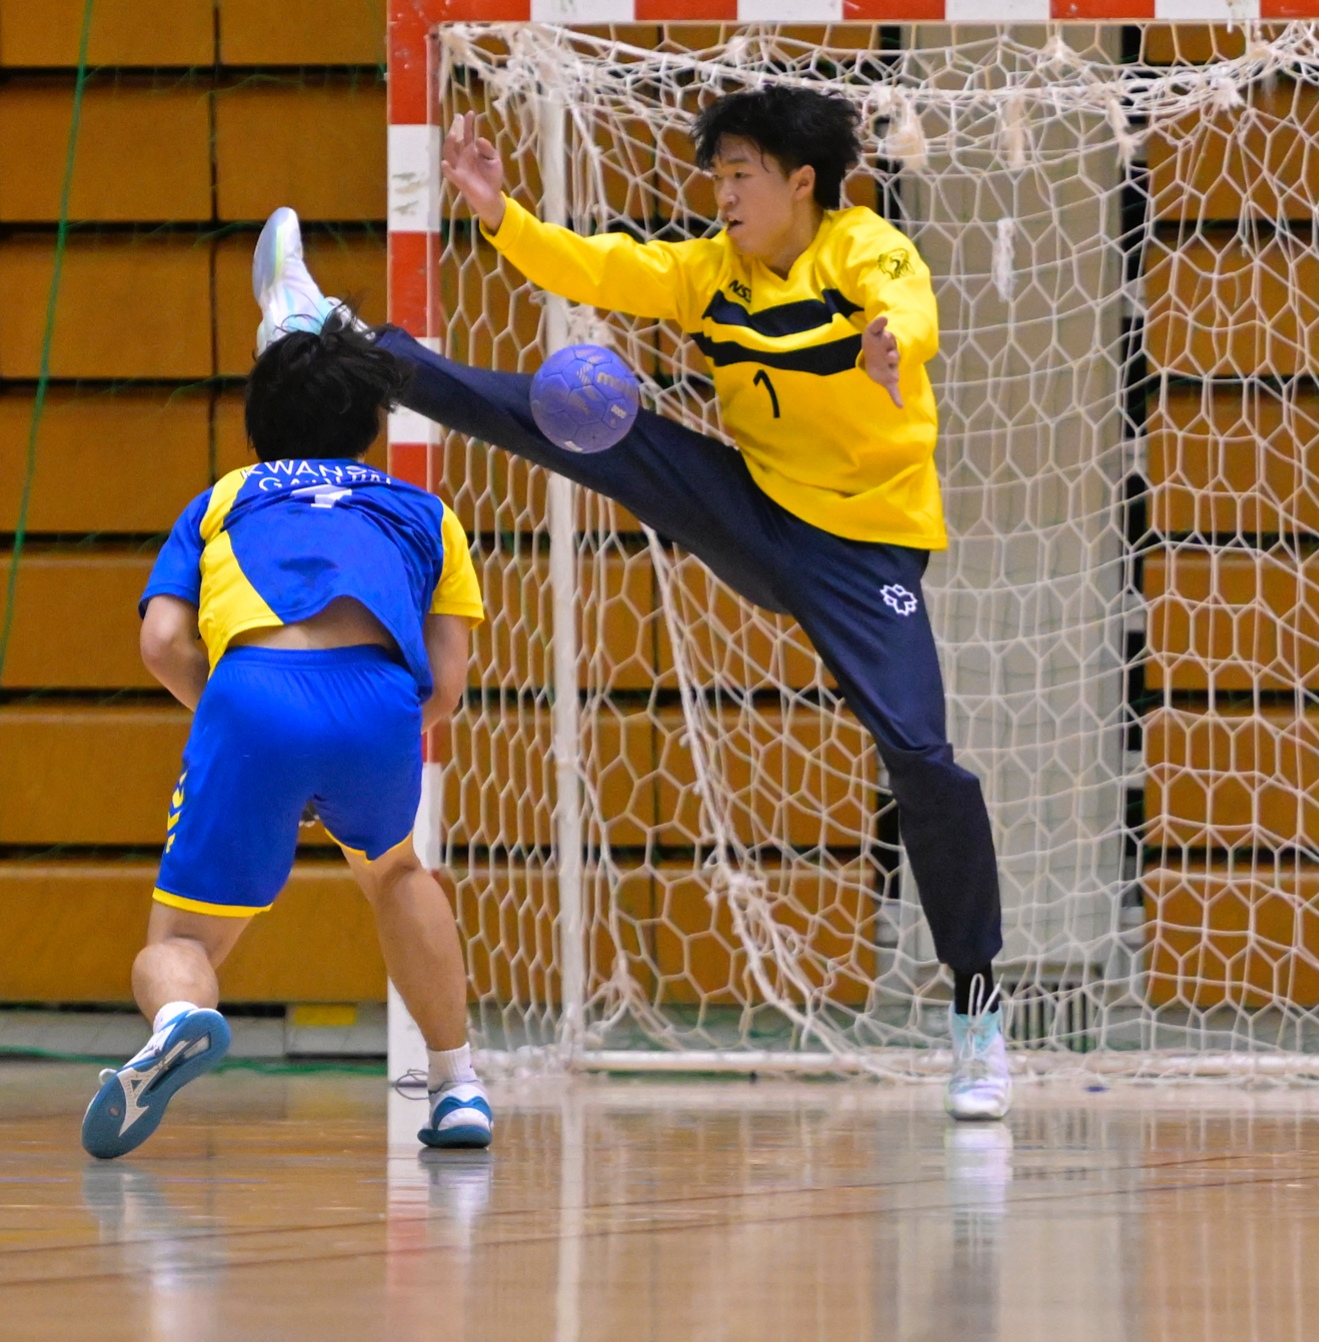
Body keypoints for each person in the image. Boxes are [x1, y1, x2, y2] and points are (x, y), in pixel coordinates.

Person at [249, 82, 1013, 1121]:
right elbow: (597, 265)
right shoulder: (708, 272)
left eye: (740, 175)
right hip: (753, 507)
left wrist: (894, 344)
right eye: (717, 176)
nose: (723, 195)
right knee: (584, 421)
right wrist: (501, 215)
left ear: (802, 182)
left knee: (921, 757)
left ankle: (976, 1018)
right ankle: (334, 334)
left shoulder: (864, 249)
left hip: (860, 551)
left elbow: (905, 307)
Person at [85, 326, 491, 1159]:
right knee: (396, 872)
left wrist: (247, 723)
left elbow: (162, 643)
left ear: (257, 424)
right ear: (369, 426)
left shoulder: (224, 498)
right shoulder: (428, 513)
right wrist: (350, 740)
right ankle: (457, 1088)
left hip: (251, 693)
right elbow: (446, 688)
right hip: (378, 703)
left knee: (182, 942)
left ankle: (180, 1019)